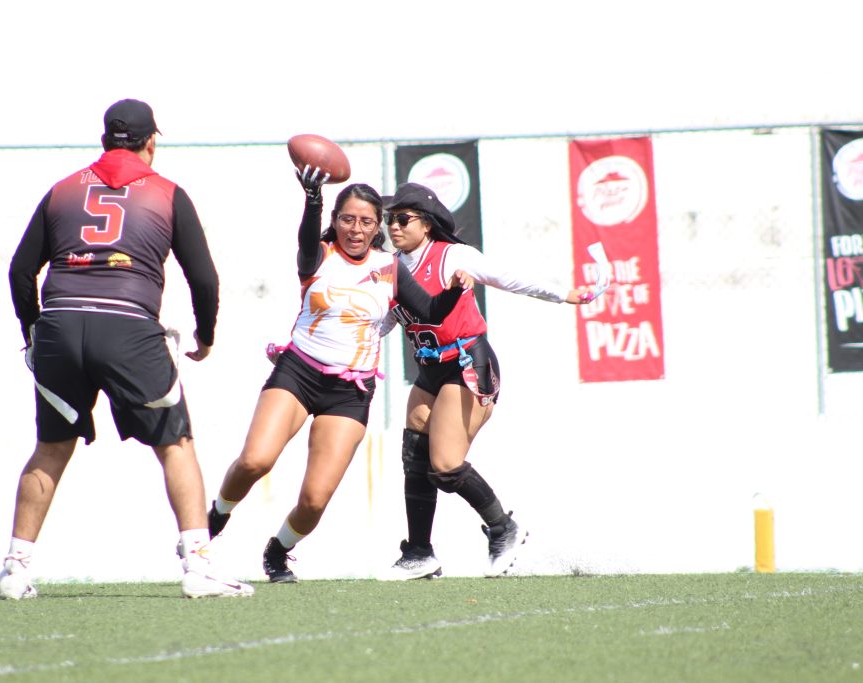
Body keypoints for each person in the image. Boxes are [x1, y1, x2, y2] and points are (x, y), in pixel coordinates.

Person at [2, 98, 253, 600]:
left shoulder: (62, 189)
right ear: (150, 142)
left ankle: (15, 568)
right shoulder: (167, 192)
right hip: (128, 327)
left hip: (60, 326)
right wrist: (206, 335)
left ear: (104, 140)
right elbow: (203, 277)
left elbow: (20, 271)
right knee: (175, 444)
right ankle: (199, 565)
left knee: (50, 447)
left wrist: (34, 334)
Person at [205, 167, 474, 583]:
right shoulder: (318, 255)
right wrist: (313, 199)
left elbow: (431, 311)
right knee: (256, 460)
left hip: (350, 392)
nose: (356, 229)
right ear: (334, 220)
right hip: (299, 374)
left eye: (366, 221)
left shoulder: (389, 266)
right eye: (347, 219)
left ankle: (278, 551)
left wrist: (455, 289)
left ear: (377, 226)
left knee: (314, 500)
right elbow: (306, 239)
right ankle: (214, 518)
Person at [377, 182, 606, 580]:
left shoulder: (452, 256)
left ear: (426, 224)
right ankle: (419, 552)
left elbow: (511, 279)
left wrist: (566, 294)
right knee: (415, 456)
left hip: (467, 363)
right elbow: (379, 322)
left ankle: (504, 528)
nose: (393, 226)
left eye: (402, 219)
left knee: (445, 465)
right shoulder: (390, 268)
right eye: (389, 219)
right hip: (429, 369)